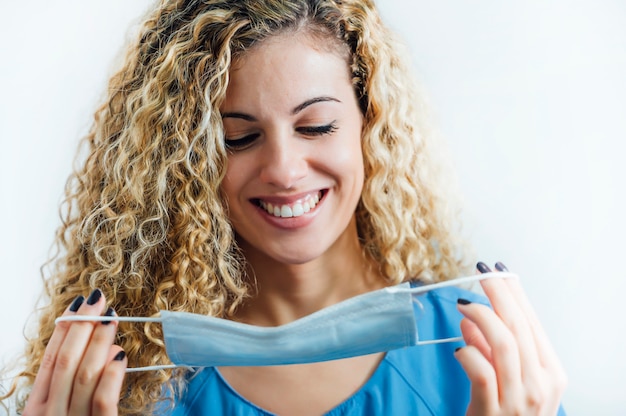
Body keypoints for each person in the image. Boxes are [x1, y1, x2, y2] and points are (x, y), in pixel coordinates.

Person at [2, 0, 567, 414]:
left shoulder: (484, 356)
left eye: (316, 126)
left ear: (371, 125)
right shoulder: (120, 384)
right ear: (183, 161)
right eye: (237, 138)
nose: (284, 169)